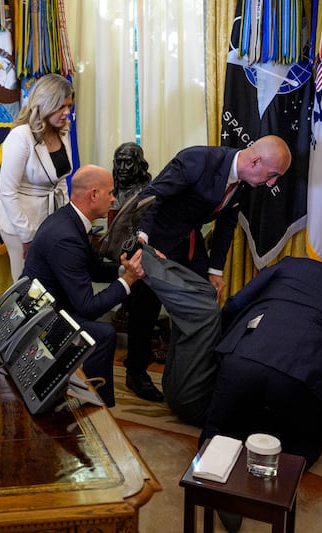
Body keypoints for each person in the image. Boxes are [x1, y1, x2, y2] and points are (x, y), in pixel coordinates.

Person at [123, 135, 292, 401]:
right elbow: (152, 197)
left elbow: (226, 224)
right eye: (272, 175)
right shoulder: (197, 160)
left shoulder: (246, 182)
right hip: (157, 237)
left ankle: (187, 375)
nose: (272, 183)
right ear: (256, 161)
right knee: (146, 308)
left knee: (203, 303)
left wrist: (215, 271)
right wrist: (141, 242)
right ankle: (136, 373)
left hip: (189, 243)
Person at [199, 245, 322, 468]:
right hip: (298, 380)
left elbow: (235, 304)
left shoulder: (292, 264)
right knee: (303, 453)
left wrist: (226, 343)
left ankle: (209, 474)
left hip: (243, 360)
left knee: (215, 436)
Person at [22, 165, 145, 407]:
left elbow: (91, 267)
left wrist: (123, 269)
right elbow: (87, 307)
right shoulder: (66, 235)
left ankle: (93, 398)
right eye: (110, 193)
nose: (114, 199)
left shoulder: (69, 220)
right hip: (40, 319)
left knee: (101, 330)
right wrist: (128, 280)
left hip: (51, 304)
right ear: (93, 194)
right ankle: (98, 408)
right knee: (103, 334)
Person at [0, 73, 74, 280]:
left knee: (51, 283)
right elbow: (6, 191)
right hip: (19, 222)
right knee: (27, 285)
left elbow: (61, 180)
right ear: (46, 104)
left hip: (50, 220)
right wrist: (27, 235)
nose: (67, 113)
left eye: (69, 106)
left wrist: (67, 220)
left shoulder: (63, 132)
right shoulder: (21, 136)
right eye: (61, 107)